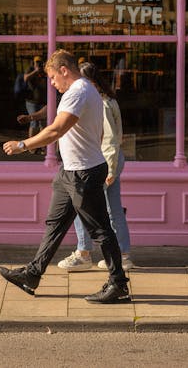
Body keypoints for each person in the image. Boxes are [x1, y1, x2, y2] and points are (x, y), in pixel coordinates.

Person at [0, 49, 130, 304]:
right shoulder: (79, 91)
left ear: (64, 70)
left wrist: (23, 145)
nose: (51, 83)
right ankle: (32, 274)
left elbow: (57, 129)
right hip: (70, 171)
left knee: (101, 229)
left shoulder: (79, 91)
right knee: (55, 224)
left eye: (52, 77)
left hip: (83, 172)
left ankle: (118, 284)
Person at [56, 61, 133, 272]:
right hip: (109, 160)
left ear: (88, 81)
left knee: (83, 207)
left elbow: (109, 140)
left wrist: (109, 169)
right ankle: (123, 254)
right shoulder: (106, 101)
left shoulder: (102, 103)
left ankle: (84, 253)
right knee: (112, 209)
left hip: (102, 161)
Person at [22, 56, 48, 140]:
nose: (38, 64)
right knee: (34, 122)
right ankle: (32, 147)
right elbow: (25, 78)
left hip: (43, 101)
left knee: (43, 123)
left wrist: (44, 70)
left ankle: (41, 144)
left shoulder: (44, 71)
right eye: (37, 62)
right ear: (33, 63)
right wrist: (35, 71)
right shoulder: (30, 70)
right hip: (32, 101)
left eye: (40, 62)